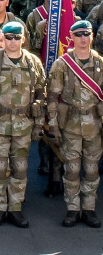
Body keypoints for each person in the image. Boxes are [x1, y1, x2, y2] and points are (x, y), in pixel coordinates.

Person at [0, 20, 46, 228]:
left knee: (20, 168)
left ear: (23, 39)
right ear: (3, 39)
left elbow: (41, 94)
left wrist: (38, 125)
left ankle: (15, 209)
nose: (12, 41)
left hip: (23, 124)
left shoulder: (33, 63)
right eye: (8, 37)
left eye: (17, 37)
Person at [48, 20, 103, 228]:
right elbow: (52, 97)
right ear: (71, 37)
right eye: (78, 34)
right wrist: (53, 125)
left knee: (91, 170)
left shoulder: (99, 63)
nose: (82, 38)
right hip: (70, 124)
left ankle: (88, 209)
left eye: (86, 34)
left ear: (91, 36)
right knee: (71, 170)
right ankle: (72, 209)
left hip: (94, 126)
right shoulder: (62, 64)